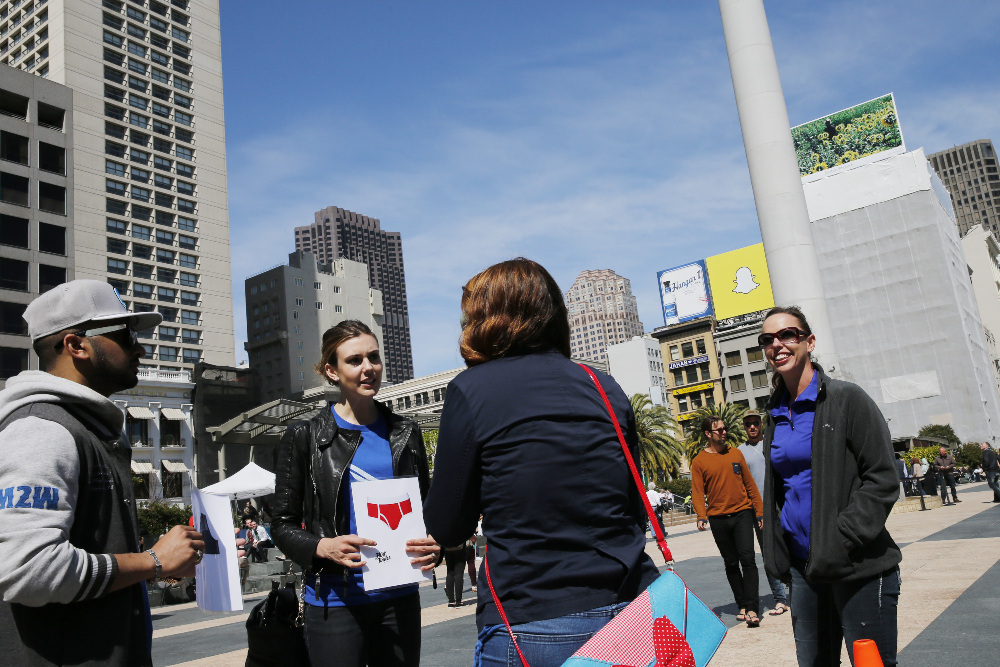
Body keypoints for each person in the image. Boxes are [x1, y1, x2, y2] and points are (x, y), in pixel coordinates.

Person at [423, 258, 660, 666]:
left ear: (486, 318)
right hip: (634, 609)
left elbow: (448, 526)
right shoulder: (601, 384)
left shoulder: (471, 390)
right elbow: (634, 508)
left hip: (533, 618)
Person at [0, 280, 204, 666]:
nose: (140, 348)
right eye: (125, 337)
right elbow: (29, 571)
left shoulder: (86, 427)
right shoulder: (42, 429)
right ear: (76, 345)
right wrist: (153, 561)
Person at [270, 320, 439, 667]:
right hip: (336, 600)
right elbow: (281, 525)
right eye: (355, 360)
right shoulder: (305, 437)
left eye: (374, 357)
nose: (368, 368)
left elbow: (427, 509)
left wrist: (435, 541)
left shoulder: (405, 432)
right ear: (331, 371)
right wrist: (322, 546)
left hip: (400, 597)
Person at [759, 305, 901, 666]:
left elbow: (882, 477)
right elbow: (781, 489)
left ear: (809, 341)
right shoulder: (774, 415)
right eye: (767, 339)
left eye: (787, 334)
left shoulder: (845, 399)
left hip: (857, 565)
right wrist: (777, 544)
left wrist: (842, 537)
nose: (777, 344)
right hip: (804, 570)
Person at [692, 414, 764, 627]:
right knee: (731, 563)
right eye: (719, 430)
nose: (724, 432)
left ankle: (752, 608)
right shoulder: (699, 461)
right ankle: (741, 604)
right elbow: (697, 492)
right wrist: (701, 515)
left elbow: (750, 485)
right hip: (718, 518)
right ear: (708, 434)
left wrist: (758, 512)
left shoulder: (736, 454)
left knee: (748, 560)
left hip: (742, 513)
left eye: (724, 429)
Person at [738, 409, 790, 617]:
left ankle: (798, 593)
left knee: (791, 547)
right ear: (744, 426)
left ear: (761, 424)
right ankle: (780, 599)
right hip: (758, 510)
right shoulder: (740, 452)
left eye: (755, 423)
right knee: (769, 553)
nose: (752, 427)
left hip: (782, 504)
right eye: (748, 424)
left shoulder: (772, 443)